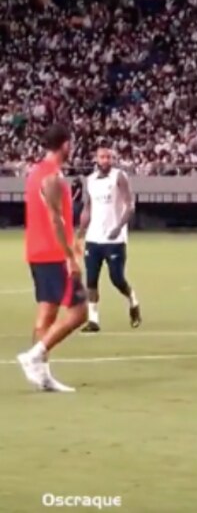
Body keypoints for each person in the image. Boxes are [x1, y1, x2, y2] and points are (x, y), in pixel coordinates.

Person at [16, 125, 88, 392]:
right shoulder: (52, 177)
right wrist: (70, 256)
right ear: (65, 144)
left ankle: (42, 376)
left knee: (46, 313)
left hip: (37, 251)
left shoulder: (36, 172)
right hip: (53, 254)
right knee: (80, 311)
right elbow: (55, 220)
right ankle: (35, 355)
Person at [78, 147, 140, 333]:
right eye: (102, 157)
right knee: (91, 280)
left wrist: (119, 227)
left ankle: (132, 300)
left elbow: (130, 205)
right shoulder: (90, 180)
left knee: (117, 278)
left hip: (114, 239)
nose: (106, 160)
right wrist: (81, 230)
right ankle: (93, 320)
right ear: (96, 159)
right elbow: (88, 208)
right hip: (94, 237)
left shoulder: (119, 177)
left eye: (109, 157)